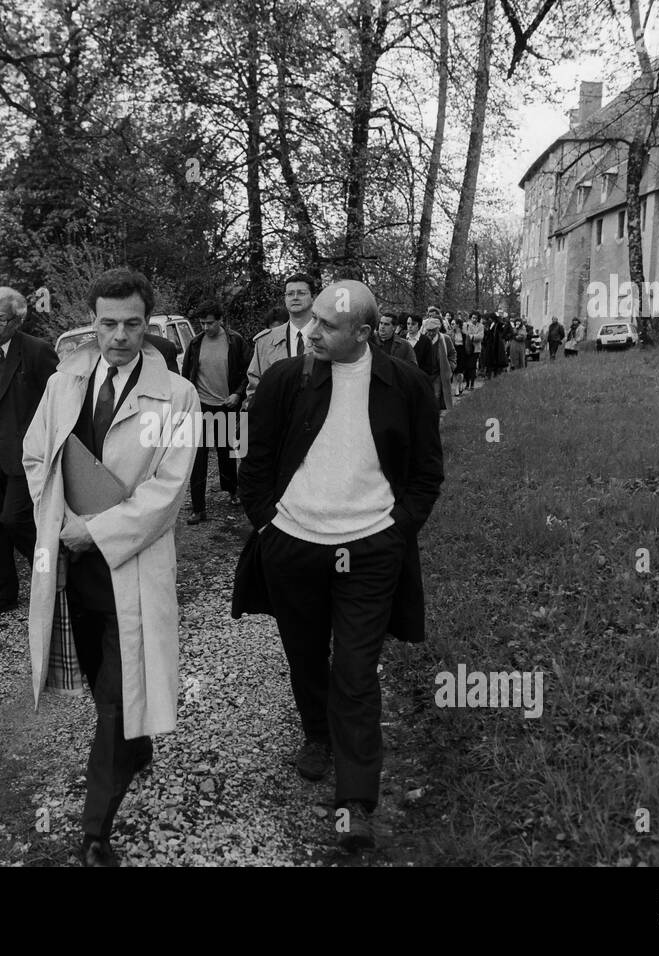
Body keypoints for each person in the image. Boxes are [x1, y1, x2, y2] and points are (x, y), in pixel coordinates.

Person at [235, 279, 444, 852]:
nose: (313, 331)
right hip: (293, 545)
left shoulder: (406, 385)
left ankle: (355, 801)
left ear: (365, 333)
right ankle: (316, 735)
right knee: (304, 653)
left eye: (328, 325)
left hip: (372, 549)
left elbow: (427, 471)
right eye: (315, 320)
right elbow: (253, 464)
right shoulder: (285, 379)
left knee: (355, 672)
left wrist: (398, 531)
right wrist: (266, 524)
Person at [22, 266, 199, 867]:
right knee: (104, 684)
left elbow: (167, 493)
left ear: (147, 324)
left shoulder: (175, 395)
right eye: (108, 323)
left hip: (130, 563)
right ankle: (137, 743)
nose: (119, 335)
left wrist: (92, 530)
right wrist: (56, 521)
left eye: (132, 324)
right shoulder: (62, 384)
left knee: (117, 701)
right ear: (92, 322)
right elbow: (34, 455)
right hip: (73, 570)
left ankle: (95, 828)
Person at [0, 286, 59, 619]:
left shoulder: (36, 352)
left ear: (18, 320)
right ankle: (5, 593)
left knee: (14, 518)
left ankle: (51, 576)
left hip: (25, 452)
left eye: (1, 320)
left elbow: (58, 400)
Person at [181, 299, 249, 524]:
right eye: (201, 323)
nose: (205, 327)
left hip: (226, 404)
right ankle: (198, 508)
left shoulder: (235, 341)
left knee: (226, 450)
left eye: (210, 323)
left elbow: (248, 371)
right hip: (200, 405)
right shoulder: (195, 343)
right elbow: (186, 376)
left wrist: (238, 394)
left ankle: (231, 490)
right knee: (198, 456)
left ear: (220, 320)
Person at [245, 272, 318, 409]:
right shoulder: (265, 341)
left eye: (301, 293)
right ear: (285, 298)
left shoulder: (328, 336)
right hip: (276, 422)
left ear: (313, 297)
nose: (295, 297)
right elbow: (254, 389)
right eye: (290, 294)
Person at [414, 316, 455, 410]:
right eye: (429, 330)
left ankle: (435, 417)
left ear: (438, 328)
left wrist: (451, 365)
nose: (431, 333)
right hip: (424, 373)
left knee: (436, 396)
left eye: (433, 330)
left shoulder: (445, 339)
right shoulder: (422, 339)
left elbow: (452, 353)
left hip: (438, 374)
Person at [461, 310, 483, 391]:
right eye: (473, 318)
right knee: (467, 367)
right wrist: (473, 336)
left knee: (472, 366)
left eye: (476, 318)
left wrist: (471, 337)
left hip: (476, 349)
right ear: (470, 318)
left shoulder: (481, 326)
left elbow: (481, 336)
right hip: (467, 348)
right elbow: (464, 334)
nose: (474, 319)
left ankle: (472, 383)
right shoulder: (465, 325)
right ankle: (467, 383)